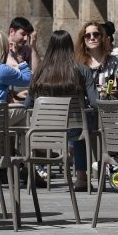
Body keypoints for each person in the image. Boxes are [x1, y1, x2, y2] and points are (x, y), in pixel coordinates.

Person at [24, 30, 99, 191]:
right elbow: (94, 102)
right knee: (85, 123)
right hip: (74, 129)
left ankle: (39, 169)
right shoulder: (82, 70)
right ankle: (82, 177)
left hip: (44, 130)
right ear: (70, 47)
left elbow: (27, 105)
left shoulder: (39, 72)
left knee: (81, 123)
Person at [75, 21, 118, 93]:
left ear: (102, 37)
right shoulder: (77, 61)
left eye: (96, 34)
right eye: (87, 36)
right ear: (83, 40)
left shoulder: (115, 60)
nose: (92, 38)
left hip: (108, 102)